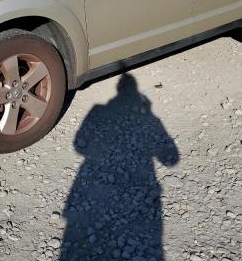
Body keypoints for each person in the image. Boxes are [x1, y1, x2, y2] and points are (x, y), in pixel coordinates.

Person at [62, 73, 179, 261]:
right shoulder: (150, 118)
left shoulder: (98, 110)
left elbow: (78, 145)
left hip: (93, 182)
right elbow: (171, 159)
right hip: (141, 190)